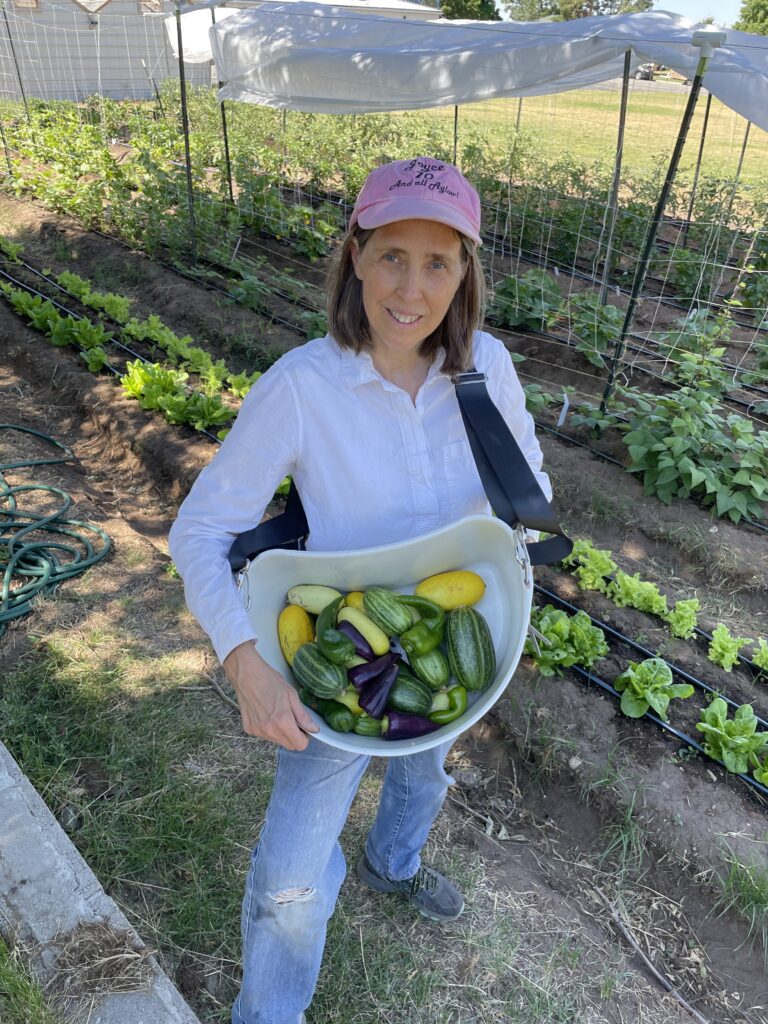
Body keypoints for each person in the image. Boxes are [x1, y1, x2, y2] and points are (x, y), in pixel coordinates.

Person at [168, 156, 551, 1024]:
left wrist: (516, 556)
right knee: (289, 885)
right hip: (348, 652)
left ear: (465, 275)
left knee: (425, 763)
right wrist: (245, 661)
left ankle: (395, 863)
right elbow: (197, 531)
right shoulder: (303, 387)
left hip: (449, 633)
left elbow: (529, 490)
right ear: (355, 255)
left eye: (439, 262)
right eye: (391, 256)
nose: (411, 289)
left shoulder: (486, 366)